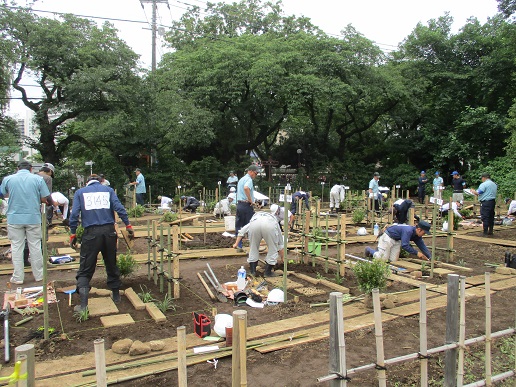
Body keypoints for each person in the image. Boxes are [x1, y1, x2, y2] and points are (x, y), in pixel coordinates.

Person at [69, 174, 134, 312]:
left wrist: (73, 233)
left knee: (85, 267)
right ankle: (116, 295)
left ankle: (83, 305)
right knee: (111, 263)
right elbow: (119, 208)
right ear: (100, 181)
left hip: (91, 234)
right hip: (109, 232)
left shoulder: (80, 192)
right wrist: (128, 225)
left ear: (87, 182)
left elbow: (74, 214)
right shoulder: (108, 190)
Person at [0, 160, 50, 284]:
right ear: (31, 169)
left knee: (16, 246)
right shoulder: (38, 179)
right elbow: (44, 198)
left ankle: (18, 277)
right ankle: (39, 275)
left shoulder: (8, 179)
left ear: (17, 168)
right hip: (33, 217)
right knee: (35, 246)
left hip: (14, 217)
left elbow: (2, 193)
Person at [232, 211, 284, 277]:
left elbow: (242, 231)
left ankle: (253, 271)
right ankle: (268, 272)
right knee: (273, 248)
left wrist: (236, 244)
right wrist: (282, 258)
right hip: (270, 225)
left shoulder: (255, 219)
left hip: (254, 226)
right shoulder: (273, 221)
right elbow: (280, 243)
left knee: (253, 248)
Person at [365, 221, 432, 262]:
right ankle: (369, 250)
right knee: (383, 259)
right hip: (387, 237)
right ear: (419, 229)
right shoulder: (408, 231)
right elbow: (405, 245)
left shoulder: (417, 236)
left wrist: (430, 257)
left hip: (397, 240)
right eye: (424, 233)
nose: (424, 234)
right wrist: (417, 253)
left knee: (393, 260)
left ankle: (380, 251)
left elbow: (422, 246)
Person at [235, 165, 259, 251]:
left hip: (240, 205)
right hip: (246, 205)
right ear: (251, 171)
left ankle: (239, 245)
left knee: (239, 225)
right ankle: (253, 246)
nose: (255, 176)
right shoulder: (249, 180)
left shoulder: (241, 179)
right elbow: (246, 188)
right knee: (251, 225)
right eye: (255, 173)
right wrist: (250, 200)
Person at [38, 162, 55, 227]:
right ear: (50, 171)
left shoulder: (34, 176)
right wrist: (52, 203)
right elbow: (47, 194)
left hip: (33, 204)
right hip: (43, 203)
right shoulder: (48, 178)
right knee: (45, 224)